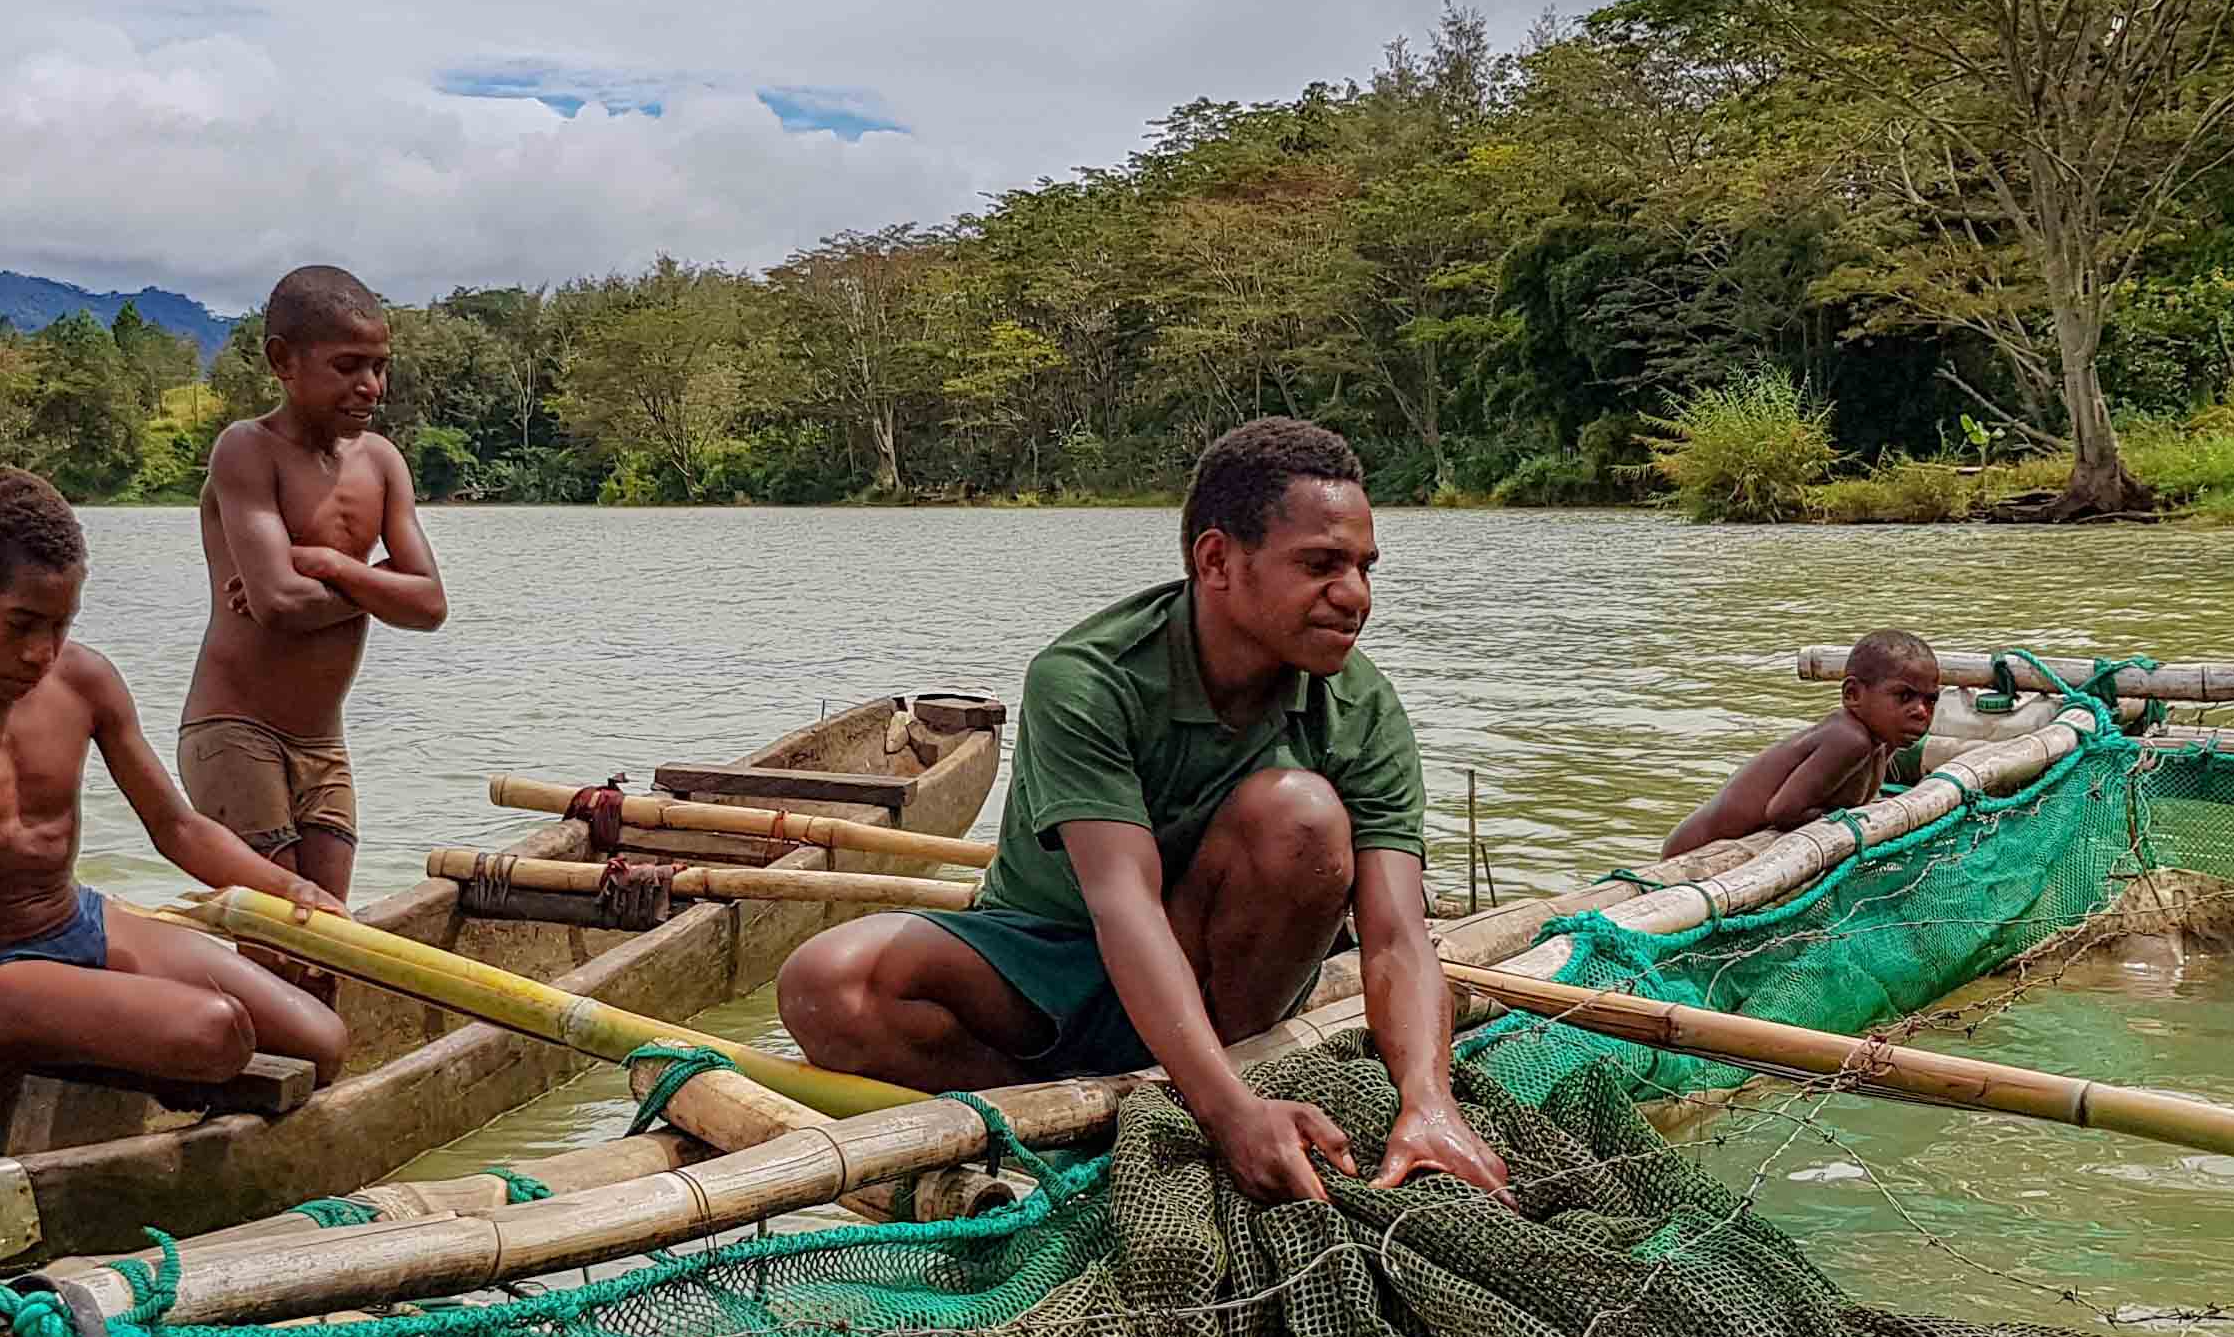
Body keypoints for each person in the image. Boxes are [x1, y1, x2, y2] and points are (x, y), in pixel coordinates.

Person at [779, 416, 1509, 1209]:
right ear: (1217, 560)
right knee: (827, 984)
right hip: (1054, 956)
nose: (1356, 596)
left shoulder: (1360, 707)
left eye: (1365, 568)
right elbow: (1121, 903)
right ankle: (1087, 1117)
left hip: (1221, 971)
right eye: (1321, 565)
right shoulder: (1086, 678)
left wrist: (1427, 1101)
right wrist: (1226, 1115)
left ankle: (1222, 1073)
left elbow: (1398, 935)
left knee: (1299, 814)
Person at [0, 466, 349, 1164]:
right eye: (20, 625)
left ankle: (109, 1026)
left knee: (324, 1040)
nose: (41, 652)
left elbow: (178, 828)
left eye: (60, 626)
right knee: (216, 1032)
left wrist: (289, 891)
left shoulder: (84, 680)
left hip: (80, 921)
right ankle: (76, 1035)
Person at [181, 264, 448, 905]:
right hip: (235, 731)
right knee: (282, 939)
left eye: (380, 367)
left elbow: (431, 603)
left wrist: (328, 565)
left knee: (329, 946)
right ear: (283, 362)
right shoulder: (247, 451)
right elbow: (278, 604)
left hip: (323, 741)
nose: (371, 386)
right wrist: (379, 585)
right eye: (348, 366)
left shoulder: (381, 462)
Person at [1660, 630, 1943, 856]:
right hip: (1693, 854)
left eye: (1930, 700)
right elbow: (1784, 812)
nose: (1921, 712)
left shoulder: (1882, 741)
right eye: (1904, 696)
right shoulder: (1849, 739)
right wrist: (1841, 822)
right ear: (1853, 694)